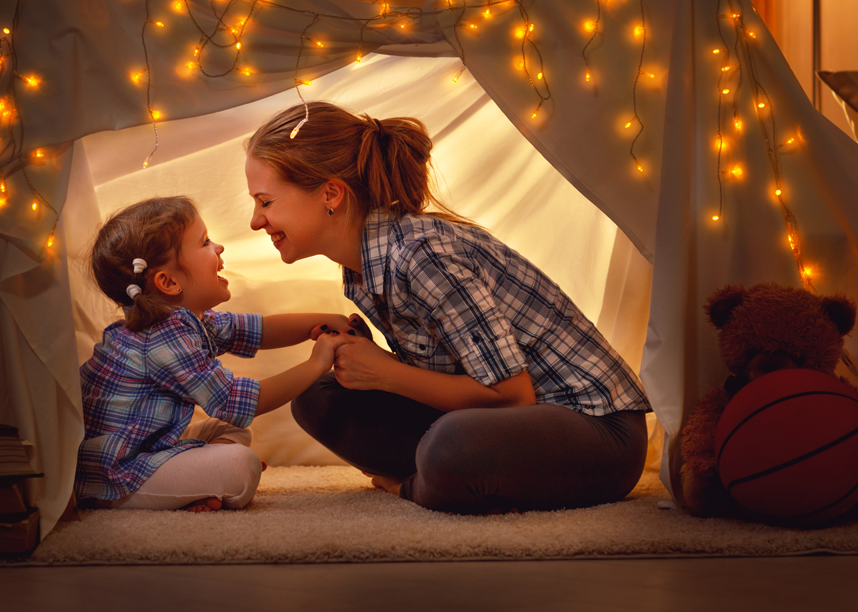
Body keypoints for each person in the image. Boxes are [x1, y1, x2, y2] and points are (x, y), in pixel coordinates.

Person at [244, 102, 651, 514]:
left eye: (265, 202)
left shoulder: (422, 255)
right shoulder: (363, 269)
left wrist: (386, 372)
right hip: (504, 424)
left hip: (596, 433)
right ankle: (448, 477)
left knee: (452, 445)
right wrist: (371, 365)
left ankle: (418, 486)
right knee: (318, 396)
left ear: (330, 194)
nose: (256, 222)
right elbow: (454, 375)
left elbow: (512, 397)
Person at [77, 196, 356, 512]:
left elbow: (257, 330)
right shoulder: (159, 338)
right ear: (168, 282)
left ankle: (197, 483)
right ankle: (198, 481)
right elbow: (234, 401)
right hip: (116, 473)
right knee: (241, 466)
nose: (219, 247)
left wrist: (319, 322)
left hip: (146, 447)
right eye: (205, 242)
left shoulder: (184, 321)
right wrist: (317, 364)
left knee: (229, 431)